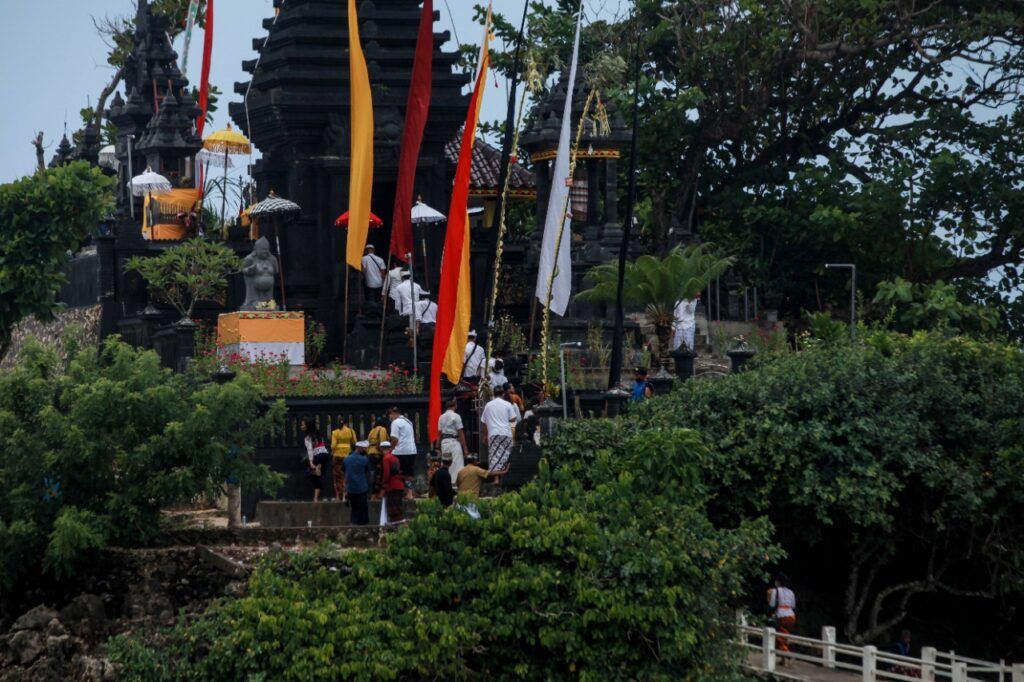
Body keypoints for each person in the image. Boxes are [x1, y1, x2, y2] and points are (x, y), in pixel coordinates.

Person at [480, 385, 519, 480]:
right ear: (503, 393)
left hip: (493, 433)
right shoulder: (507, 404)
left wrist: (485, 435)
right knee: (506, 455)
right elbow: (513, 418)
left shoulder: (488, 405)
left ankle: (496, 479)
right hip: (506, 433)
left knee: (494, 456)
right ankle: (506, 478)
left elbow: (484, 422)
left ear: (494, 393)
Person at [435, 398, 468, 480]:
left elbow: (439, 433)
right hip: (454, 441)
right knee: (457, 463)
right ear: (455, 405)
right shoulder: (456, 416)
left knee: (446, 463)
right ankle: (455, 483)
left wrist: (437, 446)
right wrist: (465, 448)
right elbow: (460, 432)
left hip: (444, 442)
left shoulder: (441, 417)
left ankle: (447, 482)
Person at [768, 573, 797, 667]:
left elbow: (772, 605)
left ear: (778, 582)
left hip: (781, 616)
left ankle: (789, 656)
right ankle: (783, 660)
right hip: (791, 616)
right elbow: (793, 605)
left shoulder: (775, 591)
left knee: (780, 638)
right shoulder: (791, 592)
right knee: (785, 637)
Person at [388, 406, 417, 498]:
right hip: (412, 450)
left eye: (390, 415)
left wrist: (390, 449)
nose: (390, 417)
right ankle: (410, 493)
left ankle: (403, 492)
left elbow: (394, 439)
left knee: (400, 473)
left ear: (393, 413)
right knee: (409, 473)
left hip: (400, 452)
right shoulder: (408, 422)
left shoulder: (395, 423)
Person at [300, 417, 329, 502]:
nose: (301, 426)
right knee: (317, 477)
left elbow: (310, 450)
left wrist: (311, 462)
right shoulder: (318, 434)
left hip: (317, 456)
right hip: (325, 455)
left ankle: (317, 467)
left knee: (311, 475)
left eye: (302, 425)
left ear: (307, 426)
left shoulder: (308, 437)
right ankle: (315, 498)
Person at [343, 441, 372, 525]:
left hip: (351, 488)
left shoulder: (346, 459)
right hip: (362, 487)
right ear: (361, 449)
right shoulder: (365, 459)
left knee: (354, 507)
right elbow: (367, 472)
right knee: (363, 508)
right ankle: (364, 525)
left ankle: (353, 523)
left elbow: (344, 471)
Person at [330, 418, 358, 501]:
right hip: (348, 455)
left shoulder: (335, 432)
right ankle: (347, 494)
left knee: (337, 476)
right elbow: (355, 442)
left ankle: (338, 496)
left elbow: (333, 445)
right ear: (347, 423)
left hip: (337, 456)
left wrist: (333, 451)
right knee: (347, 474)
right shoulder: (351, 431)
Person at [379, 440, 405, 522]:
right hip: (399, 484)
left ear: (381, 449)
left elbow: (386, 473)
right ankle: (401, 523)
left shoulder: (386, 458)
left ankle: (396, 524)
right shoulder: (395, 458)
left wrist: (383, 484)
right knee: (398, 505)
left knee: (392, 507)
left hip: (392, 485)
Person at [367, 418, 390, 499]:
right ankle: (378, 493)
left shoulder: (372, 430)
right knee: (379, 474)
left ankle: (372, 493)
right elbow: (383, 442)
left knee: (372, 473)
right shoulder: (382, 429)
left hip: (370, 453)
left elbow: (368, 441)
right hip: (378, 453)